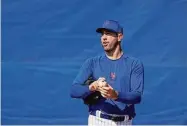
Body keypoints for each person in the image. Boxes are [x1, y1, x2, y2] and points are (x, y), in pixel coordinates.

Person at [70, 20, 144, 126]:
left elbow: (137, 96)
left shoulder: (134, 64)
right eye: (102, 34)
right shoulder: (92, 63)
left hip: (125, 122)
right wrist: (92, 87)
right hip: (98, 120)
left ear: (119, 37)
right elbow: (74, 90)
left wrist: (116, 95)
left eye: (108, 34)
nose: (104, 38)